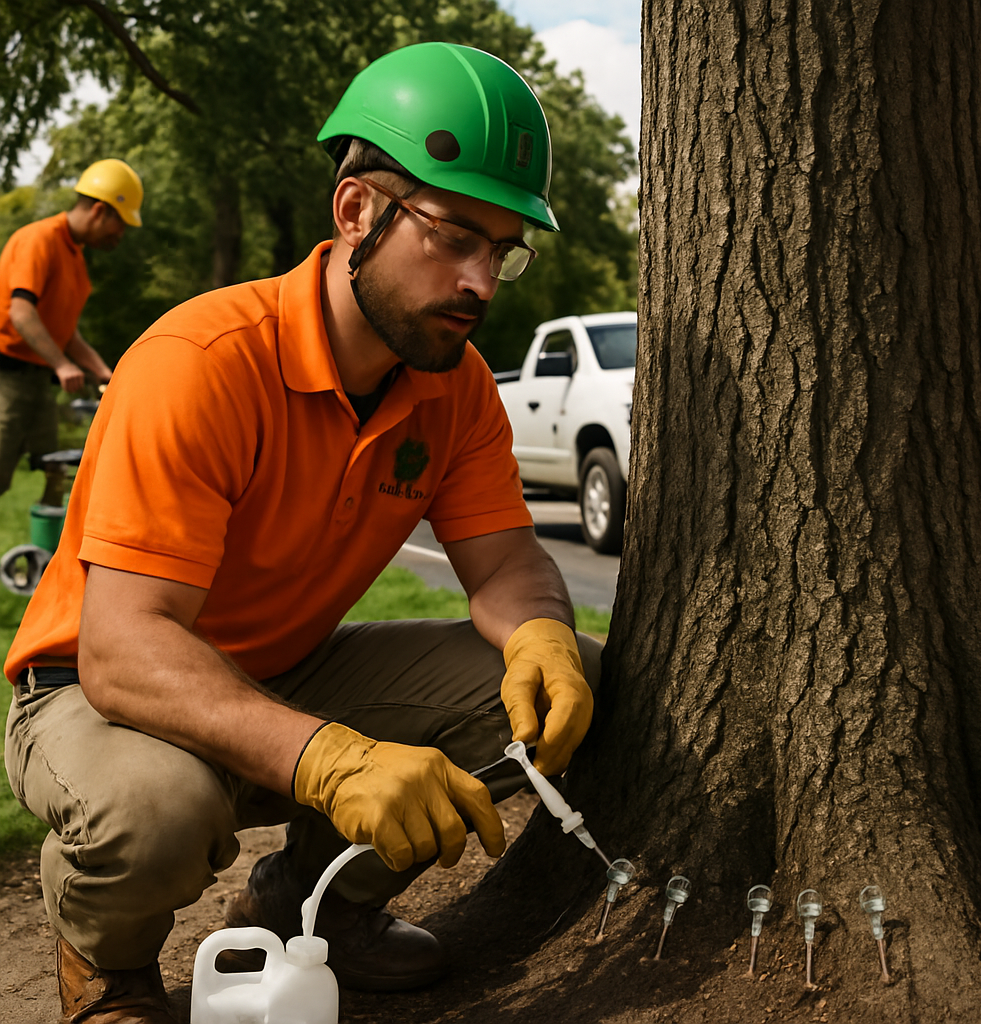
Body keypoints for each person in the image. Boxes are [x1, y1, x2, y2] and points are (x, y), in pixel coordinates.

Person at [3, 42, 601, 1024]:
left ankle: (310, 906)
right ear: (357, 210)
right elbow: (122, 648)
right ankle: (104, 966)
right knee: (158, 809)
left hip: (280, 671)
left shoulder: (457, 388)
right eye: (455, 237)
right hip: (95, 693)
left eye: (502, 249)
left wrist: (537, 629)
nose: (482, 281)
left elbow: (503, 562)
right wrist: (334, 759)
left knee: (563, 681)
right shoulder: (200, 361)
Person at [0, 159, 142, 503]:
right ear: (99, 211)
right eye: (120, 224)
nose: (120, 235)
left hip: (37, 383)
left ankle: (46, 554)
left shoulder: (74, 259)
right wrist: (62, 364)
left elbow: (66, 333)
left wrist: (105, 373)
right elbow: (21, 311)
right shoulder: (40, 240)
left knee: (57, 471)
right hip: (7, 377)